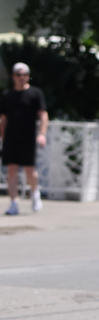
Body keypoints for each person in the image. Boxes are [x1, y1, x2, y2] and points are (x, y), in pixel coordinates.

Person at [0, 63, 47, 214]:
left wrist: (42, 133)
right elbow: (3, 118)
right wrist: (2, 137)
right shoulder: (7, 95)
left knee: (29, 170)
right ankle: (14, 203)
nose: (22, 77)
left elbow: (43, 114)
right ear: (13, 76)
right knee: (12, 171)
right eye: (19, 75)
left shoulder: (35, 93)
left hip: (28, 137)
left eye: (25, 74)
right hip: (11, 138)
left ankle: (34, 193)